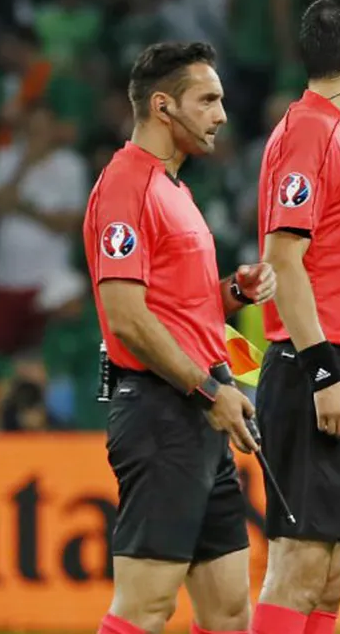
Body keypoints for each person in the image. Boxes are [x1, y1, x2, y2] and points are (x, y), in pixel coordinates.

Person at [85, 42, 277, 634]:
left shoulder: (173, 189)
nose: (222, 114)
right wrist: (207, 391)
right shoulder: (126, 188)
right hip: (166, 411)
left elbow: (179, 310)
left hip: (198, 411)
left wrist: (235, 293)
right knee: (146, 608)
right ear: (164, 106)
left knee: (228, 611)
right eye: (209, 100)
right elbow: (127, 319)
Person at [250, 0, 340, 634]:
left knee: (330, 574)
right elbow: (283, 258)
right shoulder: (310, 131)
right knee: (301, 564)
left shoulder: (334, 135)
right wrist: (322, 372)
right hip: (318, 365)